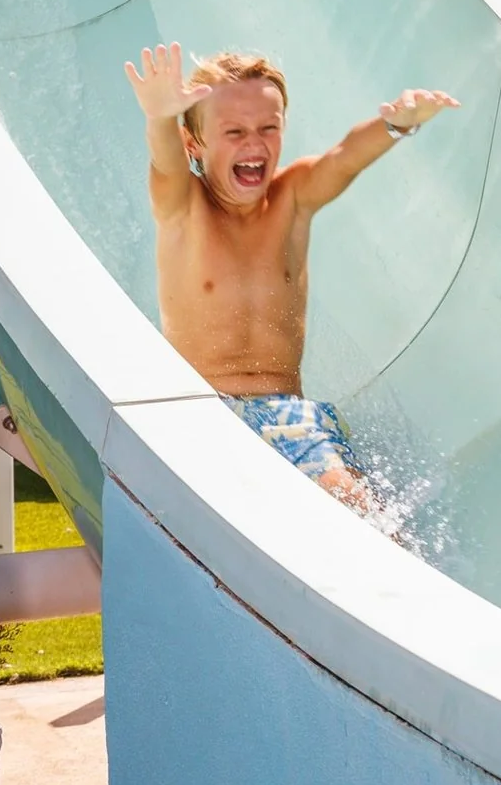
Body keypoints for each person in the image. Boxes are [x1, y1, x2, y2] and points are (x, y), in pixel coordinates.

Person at [125, 42, 458, 509]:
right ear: (193, 143)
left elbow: (344, 157)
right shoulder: (184, 208)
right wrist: (160, 117)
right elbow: (165, 164)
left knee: (357, 508)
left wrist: (396, 124)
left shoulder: (292, 200)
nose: (253, 143)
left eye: (268, 127)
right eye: (234, 131)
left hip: (288, 418)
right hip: (203, 412)